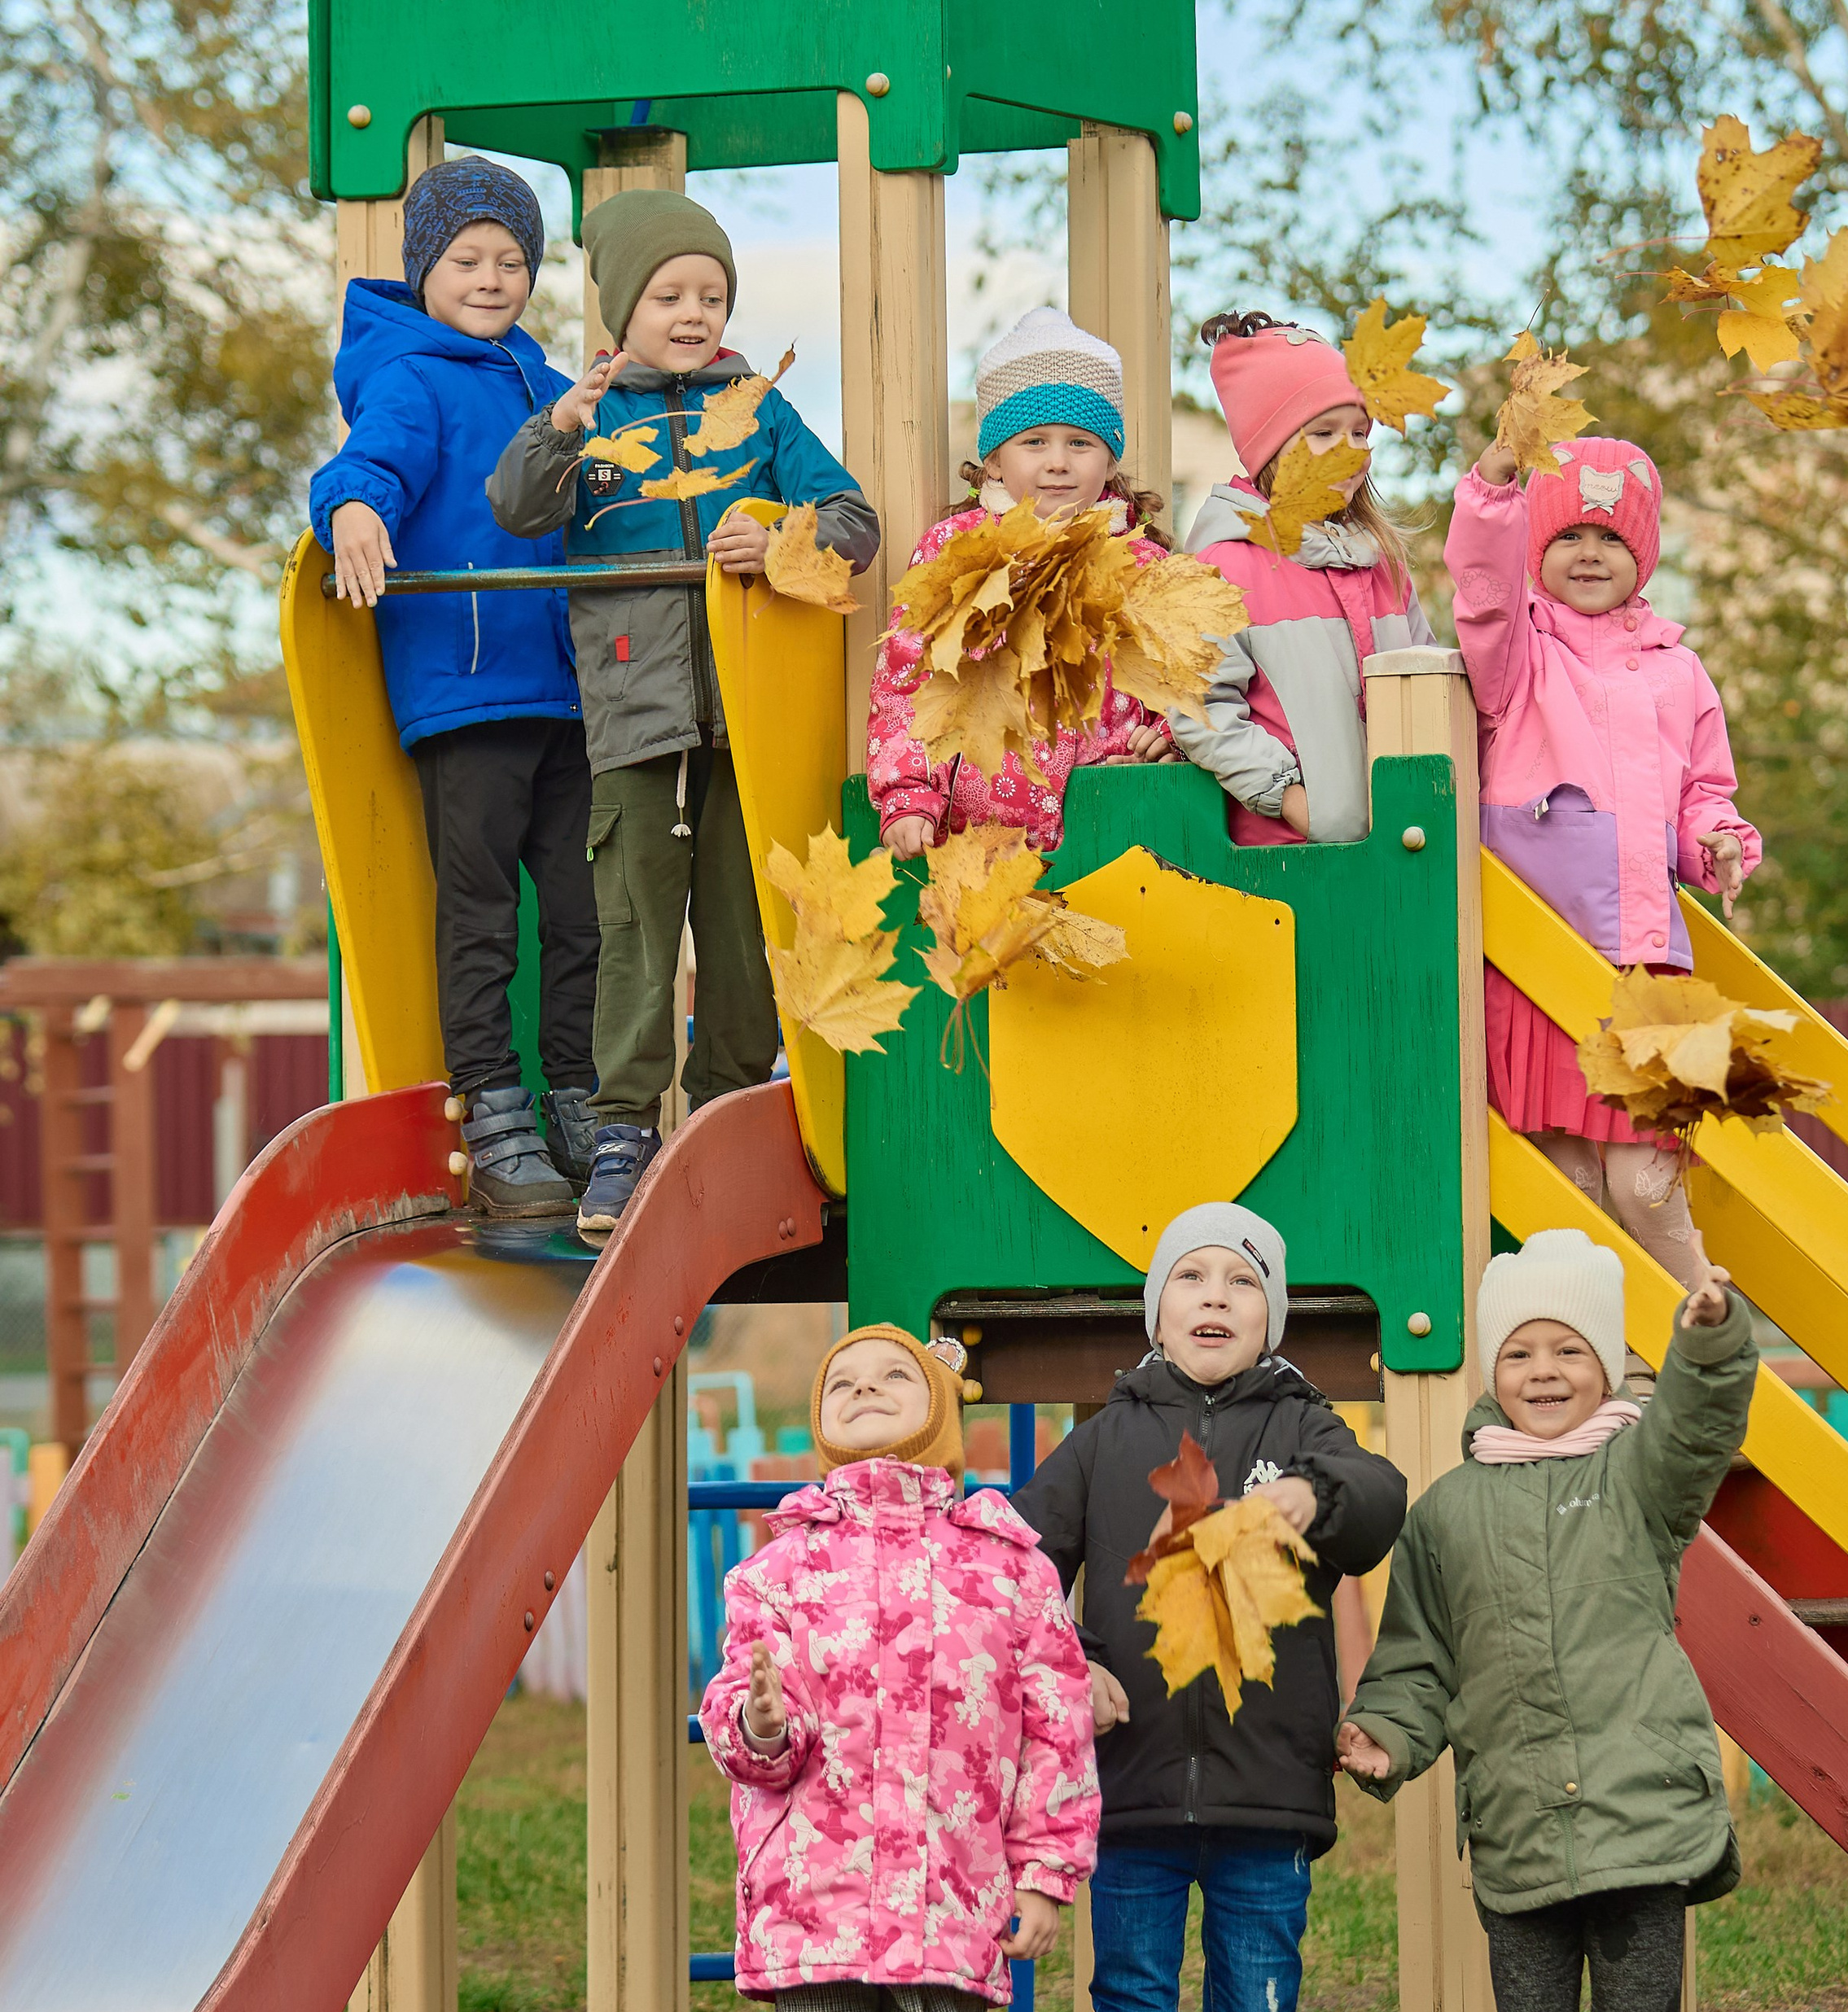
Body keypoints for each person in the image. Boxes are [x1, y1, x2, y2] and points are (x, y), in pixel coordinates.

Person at [1338, 1227, 1754, 2012]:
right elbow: (1421, 1655)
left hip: (1641, 1822)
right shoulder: (1449, 1512)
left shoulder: (1640, 1476)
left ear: (1610, 1363)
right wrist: (1386, 1733)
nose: (1544, 1373)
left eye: (1569, 1349)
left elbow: (1701, 1422)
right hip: (1520, 1824)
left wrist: (1711, 1343)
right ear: (1492, 1372)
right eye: (1521, 1353)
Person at [1018, 1204, 1408, 2012]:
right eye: (1190, 1277)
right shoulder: (1101, 1437)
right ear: (1157, 1308)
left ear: (1270, 1312)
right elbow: (1019, 1569)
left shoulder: (1305, 1423)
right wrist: (1070, 1663)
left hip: (1266, 1797)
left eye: (1241, 1282)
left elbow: (1379, 1500)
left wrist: (1313, 1499)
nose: (1215, 1298)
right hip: (1130, 1799)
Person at [698, 1324, 1098, 2012]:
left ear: (938, 1407)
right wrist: (762, 1722)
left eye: (891, 1377)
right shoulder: (777, 1565)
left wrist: (1048, 1874)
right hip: (817, 1900)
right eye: (842, 1379)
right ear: (817, 1418)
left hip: (950, 1899)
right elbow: (739, 1726)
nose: (865, 1390)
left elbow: (1054, 1729)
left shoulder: (1004, 1561)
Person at [488, 190, 878, 1239]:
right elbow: (519, 509)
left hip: (745, 719)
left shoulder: (756, 409)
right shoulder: (594, 418)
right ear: (624, 309)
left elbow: (852, 518)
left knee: (744, 927)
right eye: (669, 294)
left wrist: (780, 541)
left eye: (711, 293)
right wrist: (555, 426)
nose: (693, 311)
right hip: (632, 718)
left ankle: (730, 1110)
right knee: (635, 928)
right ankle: (624, 1131)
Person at [312, 156, 598, 1219]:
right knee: (482, 915)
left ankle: (579, 1099)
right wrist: (348, 511)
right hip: (469, 689)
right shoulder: (411, 376)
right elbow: (366, 466)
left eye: (512, 260)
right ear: (426, 269)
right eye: (469, 259)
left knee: (585, 910)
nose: (492, 278)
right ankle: (493, 1112)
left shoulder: (537, 374)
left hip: (563, 689)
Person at [1447, 426, 1759, 1289]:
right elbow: (1478, 590)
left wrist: (1719, 843)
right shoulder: (1517, 657)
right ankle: (1609, 1368)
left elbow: (1705, 790)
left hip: (1642, 965)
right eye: (1568, 536)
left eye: (1611, 537)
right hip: (1539, 958)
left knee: (1647, 1184)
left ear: (1644, 552)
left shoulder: (1678, 670)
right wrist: (1493, 490)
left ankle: (1701, 1314)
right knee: (1570, 1184)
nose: (1589, 554)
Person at [867, 305, 1174, 855]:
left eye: (1080, 443)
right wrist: (909, 793)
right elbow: (910, 681)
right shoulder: (955, 552)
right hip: (980, 830)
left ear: (1109, 459)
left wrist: (1170, 736)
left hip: (1113, 820)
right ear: (995, 462)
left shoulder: (1140, 562)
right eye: (1035, 442)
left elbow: (1182, 675)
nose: (1058, 462)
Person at [1165, 310, 1437, 846]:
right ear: (1271, 450)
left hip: (1399, 846)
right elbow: (1201, 706)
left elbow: (1425, 682)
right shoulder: (1227, 566)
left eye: (1360, 432)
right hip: (1286, 859)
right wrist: (1291, 799)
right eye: (1324, 433)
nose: (1352, 450)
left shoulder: (1381, 561)